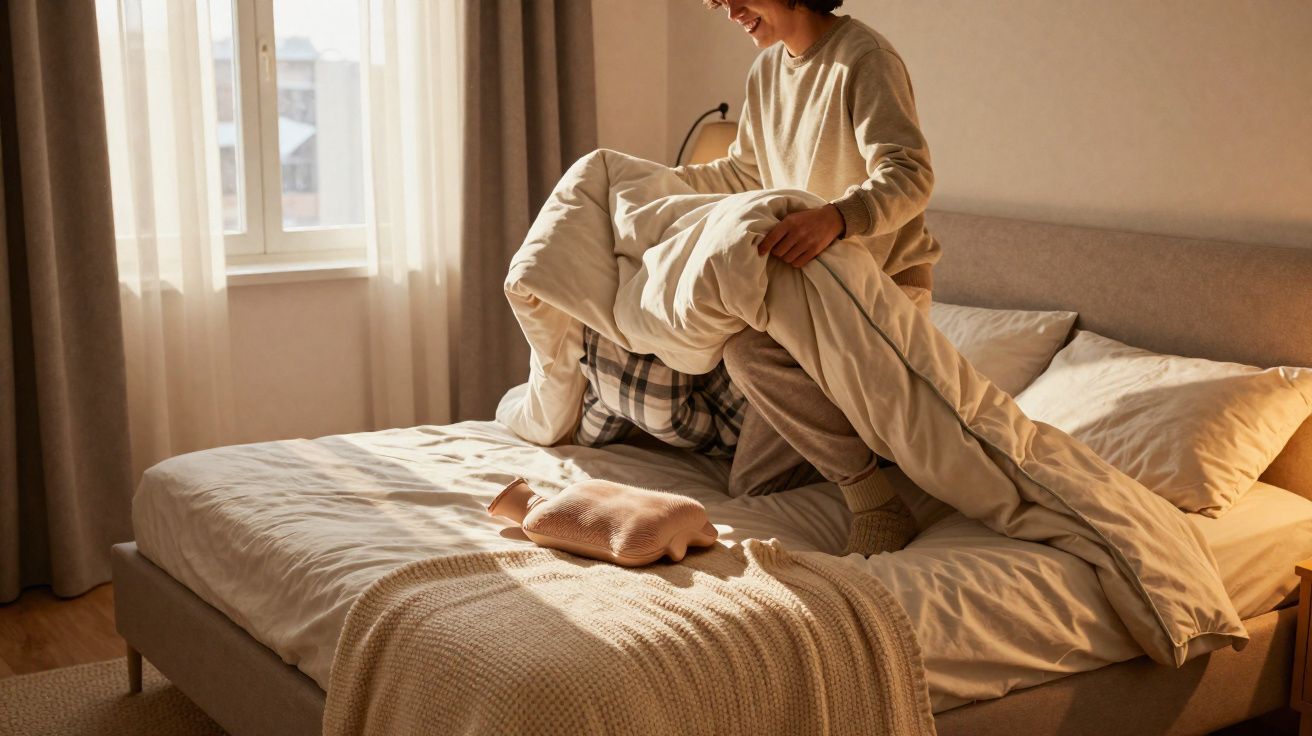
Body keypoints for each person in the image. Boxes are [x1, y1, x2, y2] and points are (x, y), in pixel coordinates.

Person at [671, 0, 941, 555]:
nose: (730, 13)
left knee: (748, 353)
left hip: (882, 286)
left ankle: (876, 498)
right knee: (754, 488)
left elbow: (909, 173)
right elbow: (745, 171)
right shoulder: (767, 69)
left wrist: (837, 218)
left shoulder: (863, 57)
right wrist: (648, 187)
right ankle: (877, 447)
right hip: (810, 287)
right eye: (719, 3)